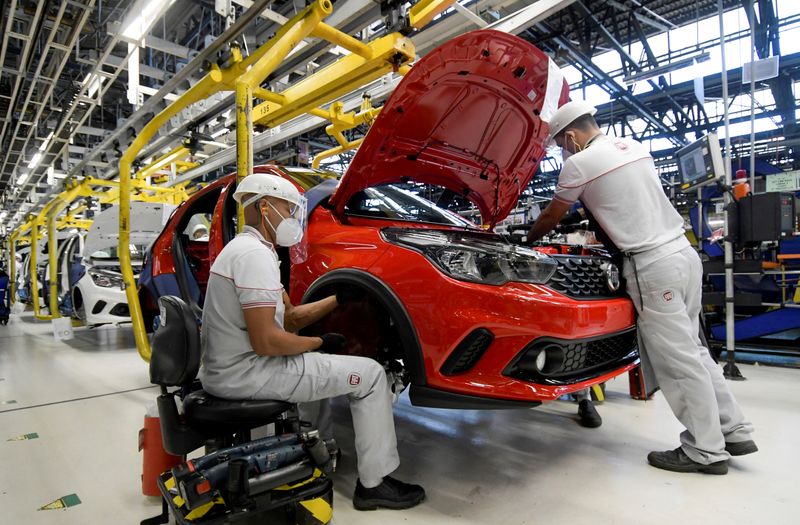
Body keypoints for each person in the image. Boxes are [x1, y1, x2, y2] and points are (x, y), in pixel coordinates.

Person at [526, 100, 756, 475]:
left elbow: (553, 214)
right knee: (695, 350)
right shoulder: (632, 146)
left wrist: (530, 237)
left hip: (652, 266)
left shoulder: (578, 163)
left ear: (570, 136)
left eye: (561, 145)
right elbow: (613, 201)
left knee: (677, 360)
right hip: (683, 254)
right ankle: (734, 430)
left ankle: (705, 450)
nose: (563, 151)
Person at [198, 173, 425, 509]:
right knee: (372, 375)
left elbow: (289, 318)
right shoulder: (253, 257)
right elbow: (267, 342)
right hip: (249, 372)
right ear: (264, 206)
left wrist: (337, 299)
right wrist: (320, 343)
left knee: (319, 376)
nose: (292, 219)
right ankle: (374, 484)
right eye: (288, 209)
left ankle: (316, 455)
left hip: (230, 369)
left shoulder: (246, 251)